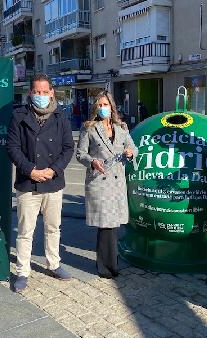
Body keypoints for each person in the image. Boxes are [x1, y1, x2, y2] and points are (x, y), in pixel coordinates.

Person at [7, 73, 74, 292]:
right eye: (37, 91)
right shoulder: (19, 116)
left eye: (45, 92)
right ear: (30, 93)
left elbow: (68, 148)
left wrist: (53, 170)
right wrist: (31, 171)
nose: (41, 96)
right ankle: (22, 272)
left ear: (52, 92)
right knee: (26, 231)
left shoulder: (60, 116)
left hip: (53, 182)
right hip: (29, 183)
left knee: (53, 228)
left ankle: (53, 264)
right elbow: (12, 148)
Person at [76, 91, 137, 278]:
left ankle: (111, 264)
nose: (103, 108)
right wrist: (93, 161)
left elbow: (133, 147)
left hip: (117, 182)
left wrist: (130, 153)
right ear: (96, 107)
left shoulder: (122, 127)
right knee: (106, 225)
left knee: (113, 225)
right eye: (99, 105)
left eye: (106, 105)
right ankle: (107, 267)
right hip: (99, 181)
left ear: (112, 107)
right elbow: (80, 153)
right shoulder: (89, 128)